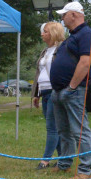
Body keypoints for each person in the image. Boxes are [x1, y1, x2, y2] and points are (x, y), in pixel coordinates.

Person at [48, 1, 91, 178]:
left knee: (79, 131)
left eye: (64, 14)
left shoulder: (86, 34)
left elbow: (85, 63)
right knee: (64, 131)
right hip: (61, 91)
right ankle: (64, 164)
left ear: (74, 15)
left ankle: (85, 169)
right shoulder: (73, 36)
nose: (62, 18)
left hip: (74, 91)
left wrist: (71, 87)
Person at [31, 21, 65, 169]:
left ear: (53, 32)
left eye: (45, 31)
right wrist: (36, 94)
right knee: (53, 127)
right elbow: (39, 73)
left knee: (52, 127)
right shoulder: (45, 51)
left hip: (54, 91)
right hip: (44, 91)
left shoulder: (62, 49)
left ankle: (45, 160)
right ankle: (64, 158)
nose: (42, 34)